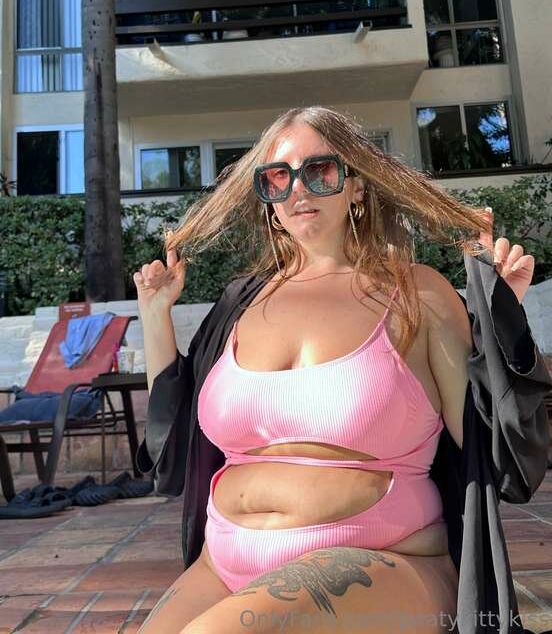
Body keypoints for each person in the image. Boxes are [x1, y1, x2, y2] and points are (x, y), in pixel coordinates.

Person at [132, 106, 543, 634]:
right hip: (224, 563)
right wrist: (155, 314)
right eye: (277, 177)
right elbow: (173, 446)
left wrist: (501, 316)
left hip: (386, 559)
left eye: (319, 170)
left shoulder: (417, 294)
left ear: (357, 185)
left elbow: (493, 448)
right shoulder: (240, 302)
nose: (297, 190)